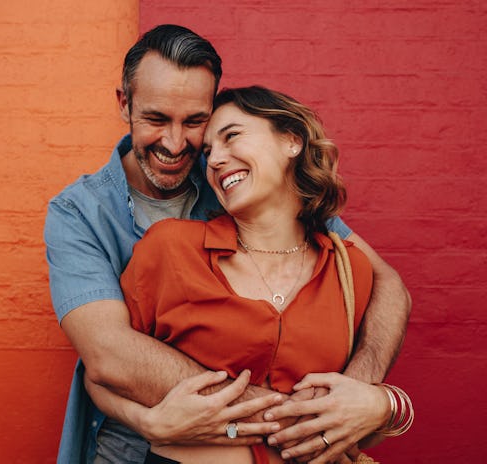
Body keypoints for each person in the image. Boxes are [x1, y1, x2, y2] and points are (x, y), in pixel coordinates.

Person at [44, 24, 411, 464]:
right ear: (125, 104)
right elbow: (108, 354)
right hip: (132, 438)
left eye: (196, 121)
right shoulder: (79, 212)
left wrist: (361, 395)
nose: (177, 144)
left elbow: (386, 283)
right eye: (157, 119)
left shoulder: (243, 181)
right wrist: (293, 418)